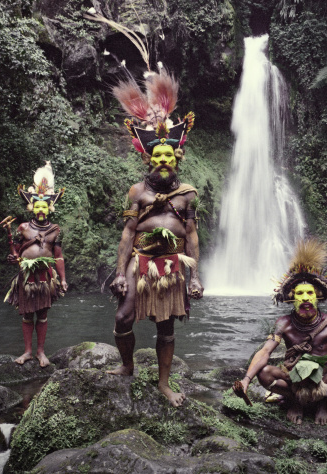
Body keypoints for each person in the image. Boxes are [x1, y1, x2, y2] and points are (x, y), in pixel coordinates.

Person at [107, 69, 203, 407]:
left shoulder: (187, 195)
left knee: (166, 328)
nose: (162, 160)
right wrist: (120, 272)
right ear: (148, 158)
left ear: (177, 157)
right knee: (123, 317)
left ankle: (164, 383)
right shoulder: (137, 192)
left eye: (168, 155)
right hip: (140, 261)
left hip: (172, 265)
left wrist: (196, 277)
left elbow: (191, 235)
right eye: (156, 156)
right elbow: (128, 233)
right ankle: (127, 365)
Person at [233, 239, 327, 424]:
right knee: (264, 373)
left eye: (309, 293)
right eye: (299, 294)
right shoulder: (283, 323)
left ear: (318, 296)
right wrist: (246, 379)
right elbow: (265, 351)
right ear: (291, 298)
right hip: (294, 382)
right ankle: (295, 402)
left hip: (324, 381)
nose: (305, 298)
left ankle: (326, 404)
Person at [3, 161, 67, 367]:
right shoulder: (23, 227)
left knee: (43, 314)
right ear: (32, 207)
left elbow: (58, 255)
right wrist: (13, 257)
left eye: (44, 206)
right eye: (37, 206)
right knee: (27, 314)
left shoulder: (55, 230)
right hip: (26, 275)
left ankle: (41, 352)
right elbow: (16, 250)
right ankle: (28, 352)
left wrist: (63, 279)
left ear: (49, 208)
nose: (41, 210)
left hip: (45, 276)